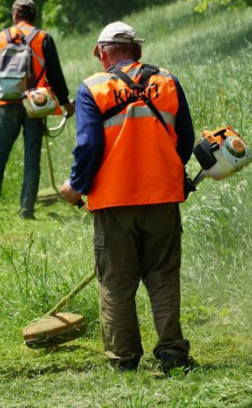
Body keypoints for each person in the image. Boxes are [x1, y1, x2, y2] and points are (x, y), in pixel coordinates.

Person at [59, 21, 195, 375]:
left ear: (102, 53)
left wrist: (76, 186)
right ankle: (173, 356)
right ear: (137, 50)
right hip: (162, 199)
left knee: (116, 282)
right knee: (162, 276)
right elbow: (185, 139)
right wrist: (165, 173)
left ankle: (123, 360)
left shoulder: (93, 88)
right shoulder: (168, 81)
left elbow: (88, 146)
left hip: (114, 204)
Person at [0, 0, 73, 220]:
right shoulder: (43, 38)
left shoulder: (1, 38)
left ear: (14, 14)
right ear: (34, 16)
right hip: (35, 104)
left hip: (6, 103)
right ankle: (26, 210)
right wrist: (66, 104)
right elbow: (56, 76)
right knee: (32, 157)